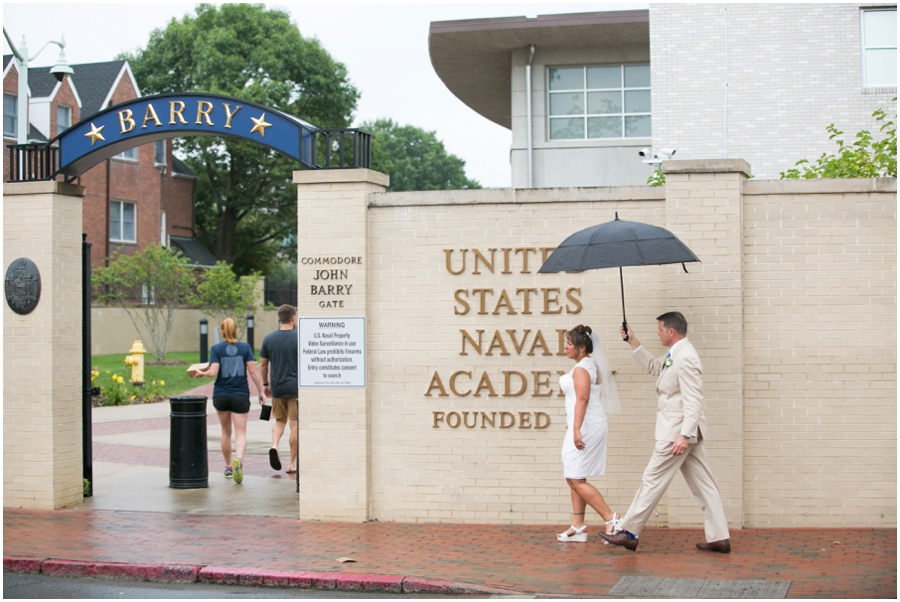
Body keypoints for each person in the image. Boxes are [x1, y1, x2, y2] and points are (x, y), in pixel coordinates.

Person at [599, 312, 731, 553]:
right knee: (704, 485)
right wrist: (633, 342)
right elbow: (655, 367)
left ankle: (629, 532)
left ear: (671, 331)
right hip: (681, 431)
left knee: (652, 480)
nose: (658, 333)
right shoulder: (675, 354)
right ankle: (719, 537)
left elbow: (694, 399)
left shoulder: (686, 357)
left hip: (676, 434)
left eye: (660, 329)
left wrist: (686, 435)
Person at [556, 325, 622, 543]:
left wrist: (576, 429)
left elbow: (582, 399)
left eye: (569, 344)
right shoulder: (589, 365)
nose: (565, 347)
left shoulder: (582, 369)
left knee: (574, 477)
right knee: (576, 474)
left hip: (586, 426)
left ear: (582, 348)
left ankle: (611, 518)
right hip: (587, 423)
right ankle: (578, 525)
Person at [192, 317, 266, 485]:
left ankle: (227, 467)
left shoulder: (217, 349)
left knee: (226, 433)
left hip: (221, 395)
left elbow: (212, 373)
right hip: (240, 395)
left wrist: (201, 372)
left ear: (222, 331)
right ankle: (238, 459)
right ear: (237, 331)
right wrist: (261, 391)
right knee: (241, 434)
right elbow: (253, 371)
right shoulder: (245, 348)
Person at [259, 304, 299, 474]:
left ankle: (274, 445)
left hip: (277, 387)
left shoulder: (268, 339)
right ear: (293, 318)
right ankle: (291, 463)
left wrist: (266, 384)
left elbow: (263, 364)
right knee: (295, 423)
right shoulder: (299, 338)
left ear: (279, 318)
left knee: (279, 421)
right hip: (295, 387)